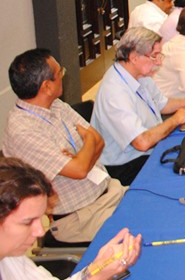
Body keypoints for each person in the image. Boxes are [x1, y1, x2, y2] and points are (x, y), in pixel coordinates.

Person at [4, 49, 125, 243]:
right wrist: (86, 147)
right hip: (81, 219)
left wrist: (79, 156)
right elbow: (80, 169)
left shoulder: (55, 105)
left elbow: (98, 140)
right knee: (148, 231)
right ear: (47, 86)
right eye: (60, 73)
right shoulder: (22, 131)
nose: (63, 75)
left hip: (110, 192)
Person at [91, 28, 185, 185]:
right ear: (134, 57)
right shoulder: (114, 93)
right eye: (154, 56)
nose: (159, 62)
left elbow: (163, 104)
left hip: (148, 149)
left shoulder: (139, 74)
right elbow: (141, 143)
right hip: (126, 165)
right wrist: (175, 120)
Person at [0, 158, 141, 280]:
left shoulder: (11, 257)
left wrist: (96, 267)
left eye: (40, 218)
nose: (41, 231)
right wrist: (97, 279)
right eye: (27, 222)